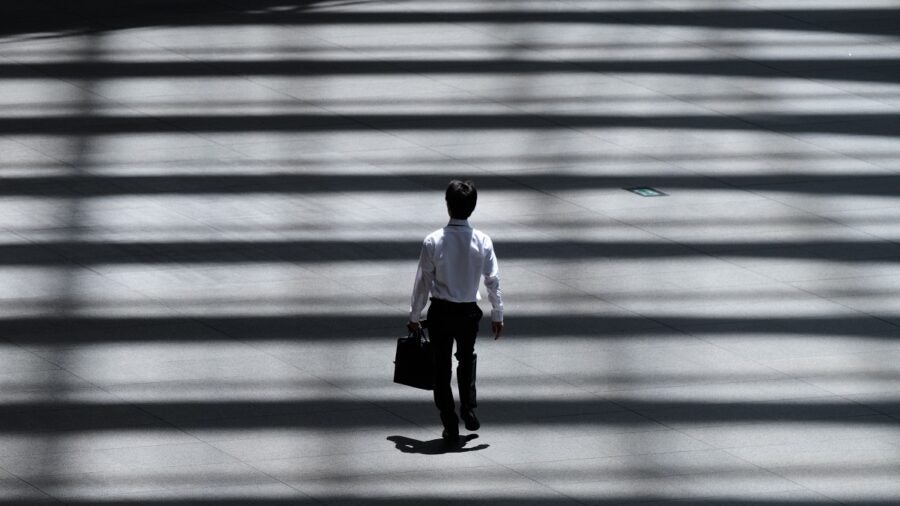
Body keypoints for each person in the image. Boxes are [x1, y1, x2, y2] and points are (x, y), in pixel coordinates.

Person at [407, 179, 504, 444]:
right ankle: (469, 407)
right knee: (466, 358)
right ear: (472, 207)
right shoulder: (483, 241)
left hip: (441, 311)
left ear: (447, 205)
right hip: (468, 312)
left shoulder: (433, 241)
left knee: (441, 367)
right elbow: (492, 280)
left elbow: (423, 283)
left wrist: (415, 316)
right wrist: (497, 313)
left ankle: (450, 422)